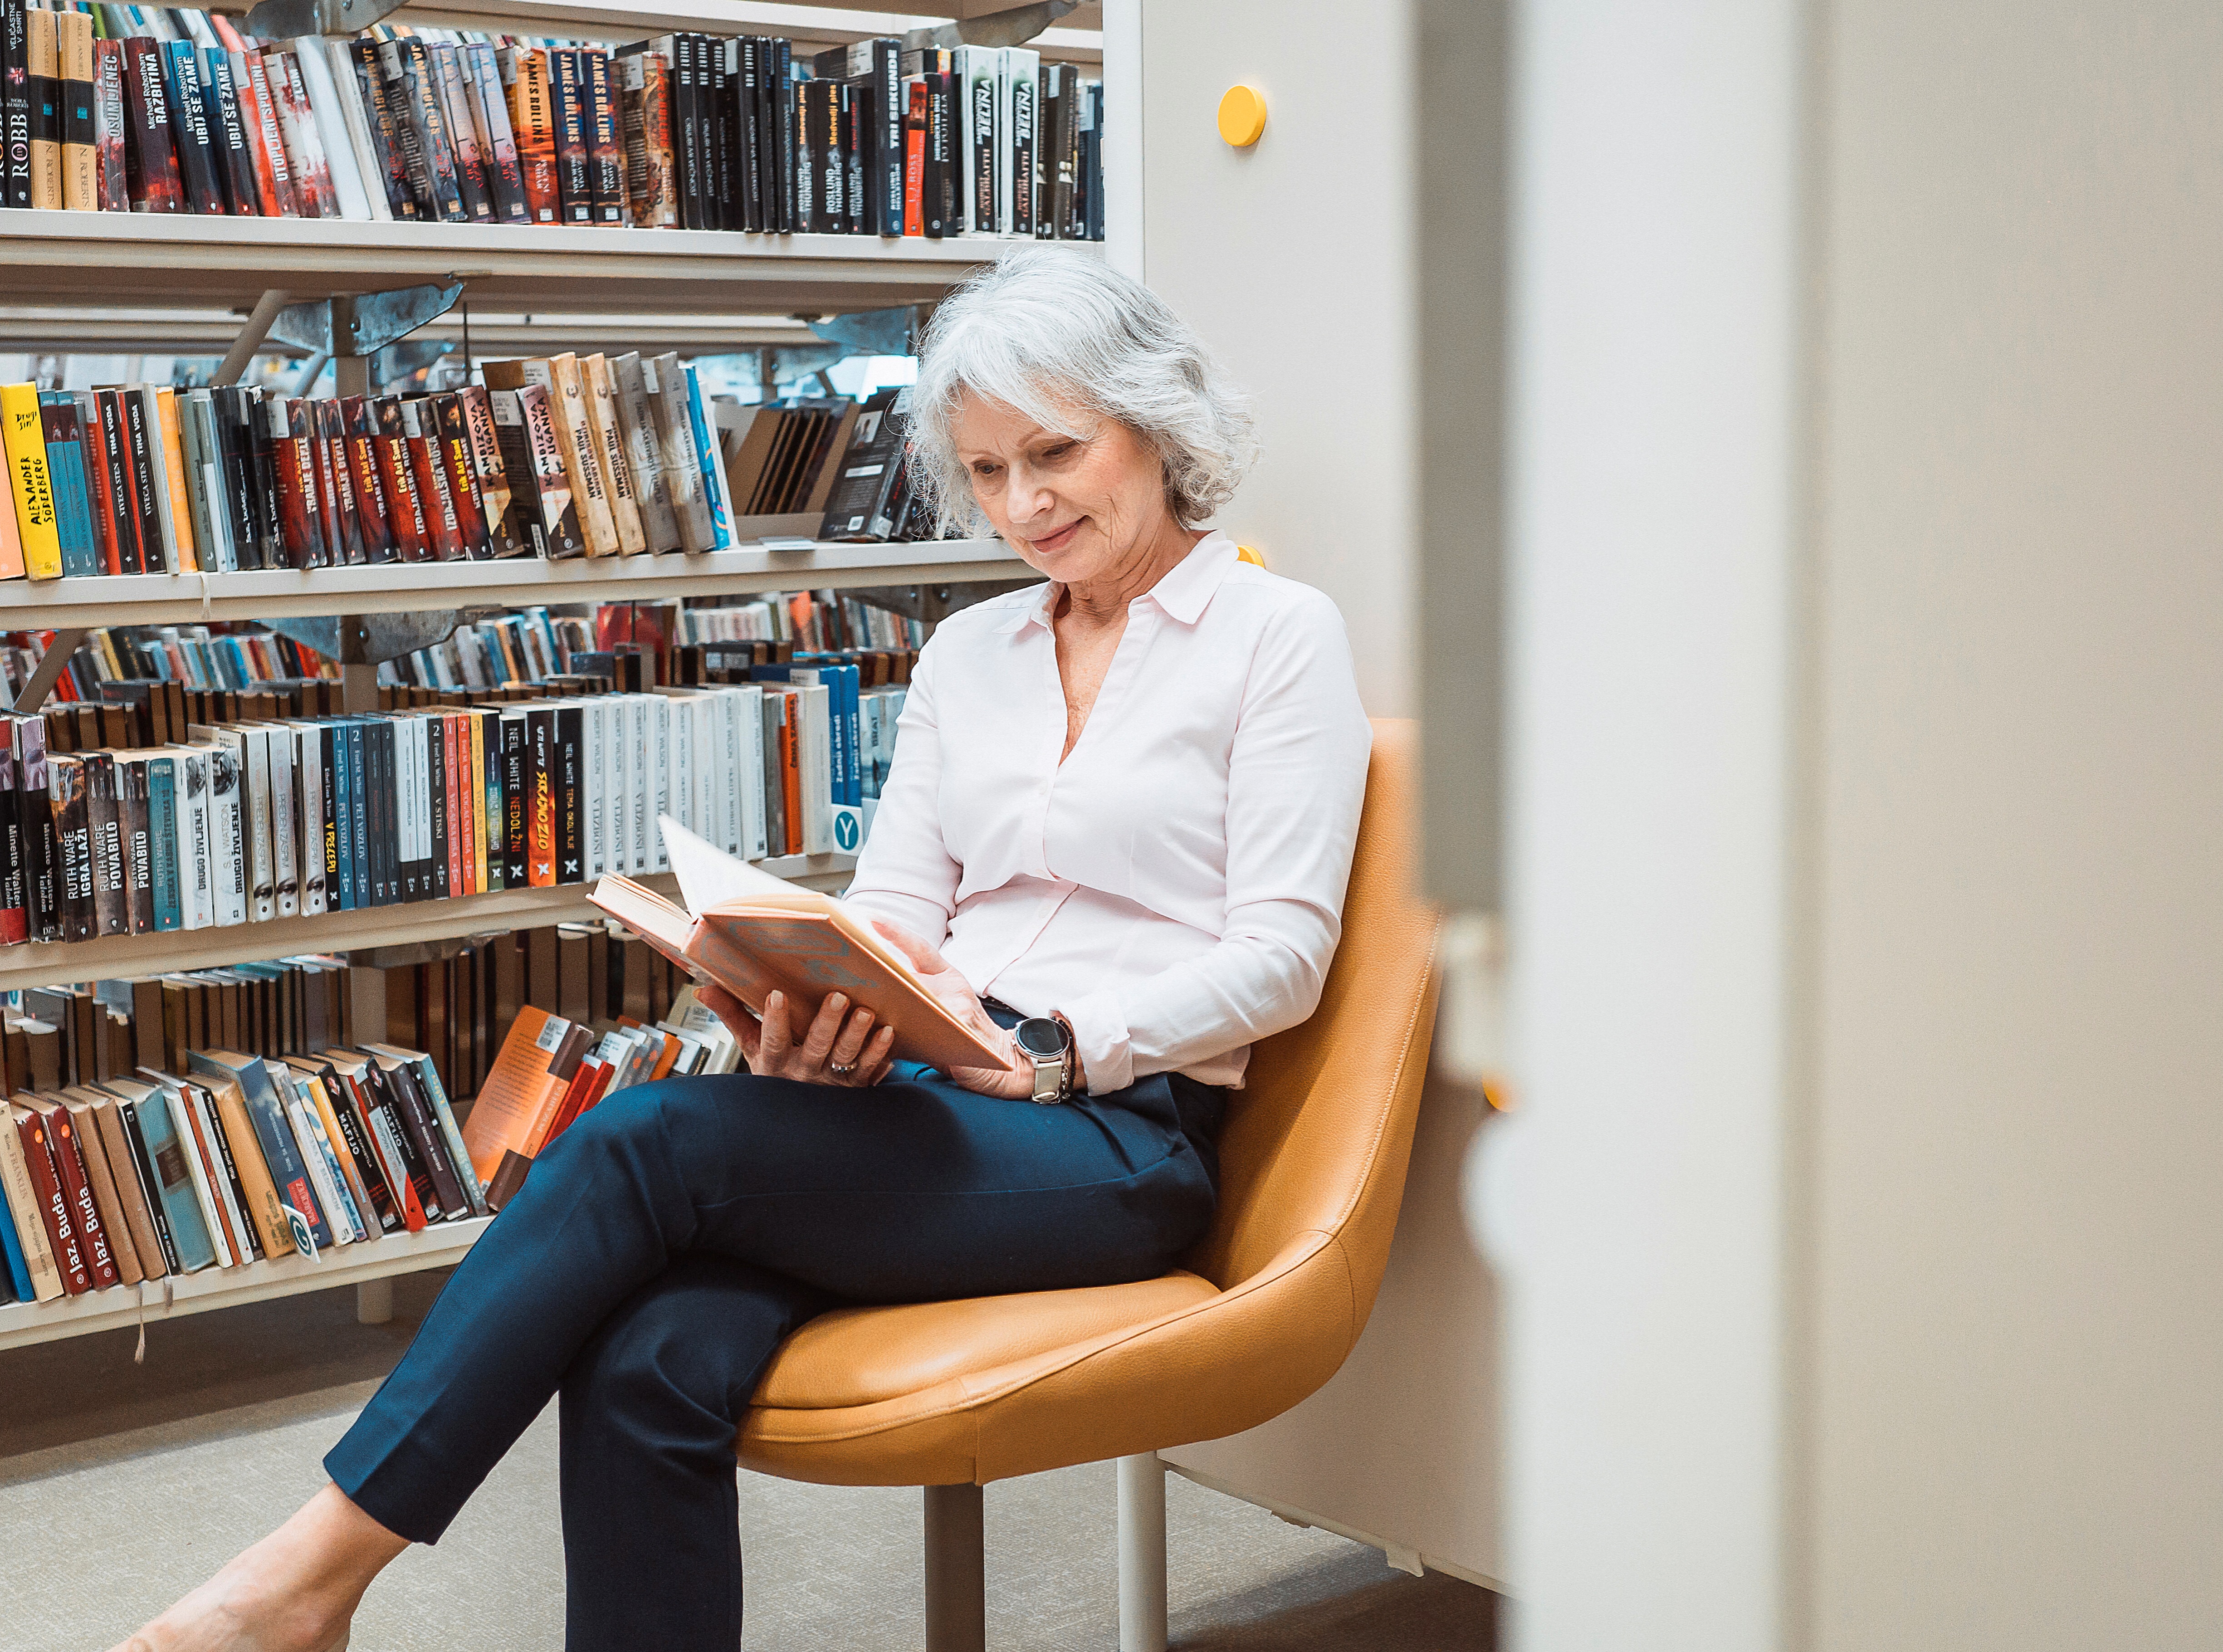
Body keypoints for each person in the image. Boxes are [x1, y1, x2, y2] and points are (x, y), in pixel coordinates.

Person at [115, 245, 1373, 1652]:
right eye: (986, 470)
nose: (1024, 503)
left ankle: (301, 1583)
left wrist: (1054, 1045)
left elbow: (1283, 958)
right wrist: (827, 1002)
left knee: (647, 1141)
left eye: (1057, 452)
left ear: (1158, 421)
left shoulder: (1275, 637)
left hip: (1120, 1135)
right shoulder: (973, 654)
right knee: (655, 1357)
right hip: (927, 1104)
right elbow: (899, 911)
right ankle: (310, 1595)